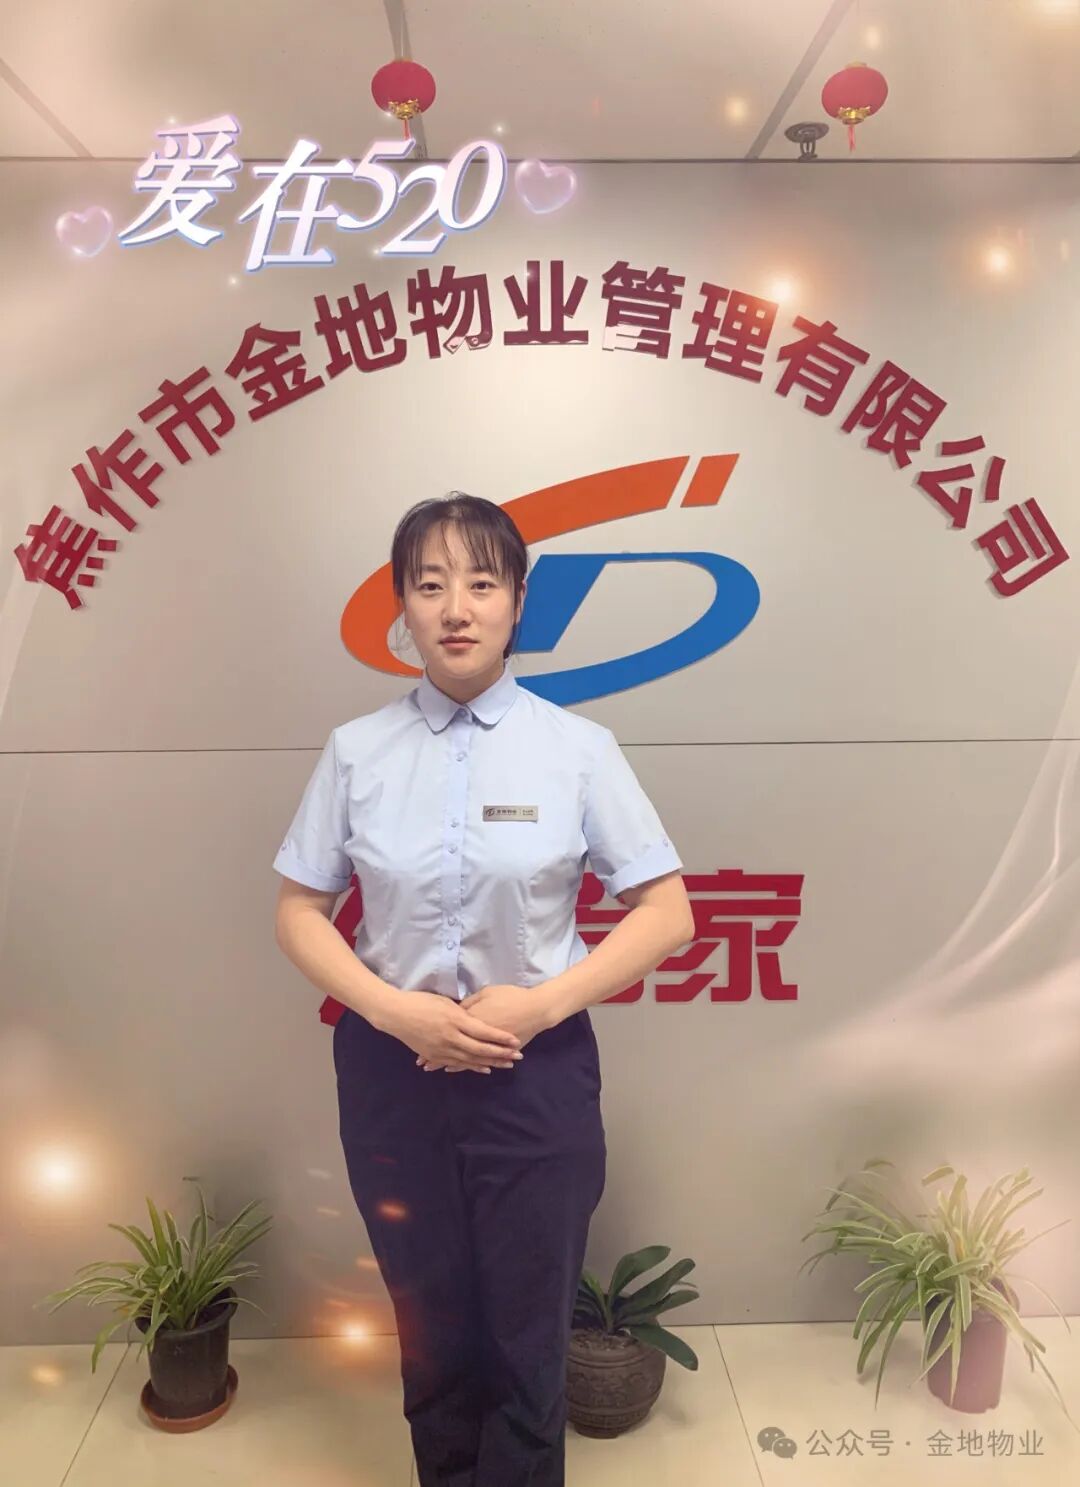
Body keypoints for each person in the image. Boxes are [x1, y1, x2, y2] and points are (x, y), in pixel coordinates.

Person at [272, 492, 694, 1487]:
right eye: (429, 584)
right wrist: (392, 1008)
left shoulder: (576, 748)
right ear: (402, 606)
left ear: (517, 602)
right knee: (429, 1320)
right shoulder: (357, 751)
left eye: (481, 582)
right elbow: (298, 909)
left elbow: (667, 911)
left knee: (527, 1326)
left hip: (534, 1073)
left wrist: (539, 1005)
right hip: (393, 1072)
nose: (456, 607)